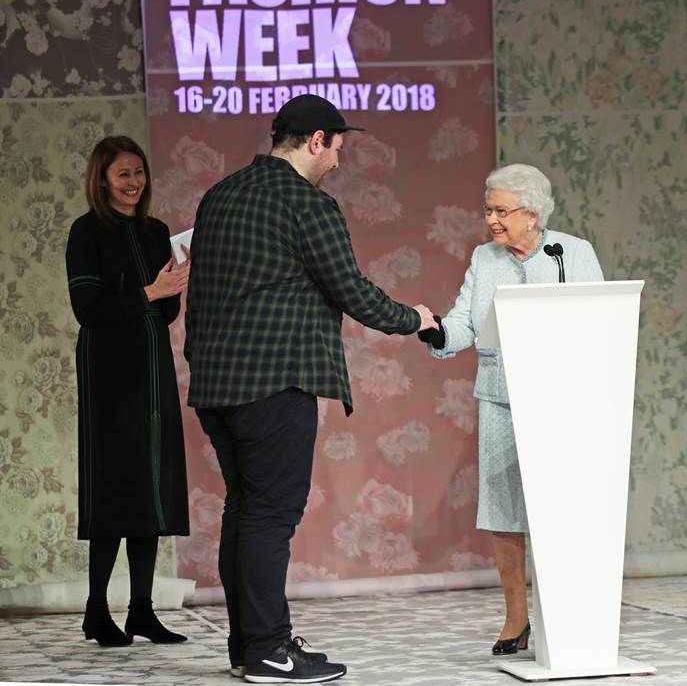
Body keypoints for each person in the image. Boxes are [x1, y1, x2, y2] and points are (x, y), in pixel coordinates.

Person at [185, 94, 437, 684]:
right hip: (276, 382)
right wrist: (414, 318)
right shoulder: (306, 203)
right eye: (338, 148)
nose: (340, 162)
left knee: (246, 512)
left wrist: (201, 362)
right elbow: (349, 288)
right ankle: (270, 650)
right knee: (269, 516)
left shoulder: (220, 196)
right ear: (316, 140)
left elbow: (201, 295)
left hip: (218, 386)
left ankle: (251, 645)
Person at [418, 163, 604, 654]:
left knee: (563, 506)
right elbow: (464, 321)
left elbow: (600, 317)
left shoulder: (572, 253)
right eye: (488, 210)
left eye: (501, 210)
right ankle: (516, 618)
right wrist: (436, 330)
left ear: (533, 212)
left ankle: (569, 611)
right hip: (501, 395)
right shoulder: (485, 258)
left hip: (561, 398)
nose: (492, 220)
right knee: (504, 510)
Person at [65, 135, 190, 647]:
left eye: (139, 172)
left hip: (153, 372)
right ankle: (97, 611)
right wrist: (150, 292)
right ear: (102, 179)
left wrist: (172, 288)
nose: (134, 182)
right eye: (123, 174)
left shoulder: (157, 231)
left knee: (151, 488)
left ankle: (142, 610)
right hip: (110, 376)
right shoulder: (86, 231)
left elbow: (165, 314)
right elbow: (88, 310)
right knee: (115, 488)